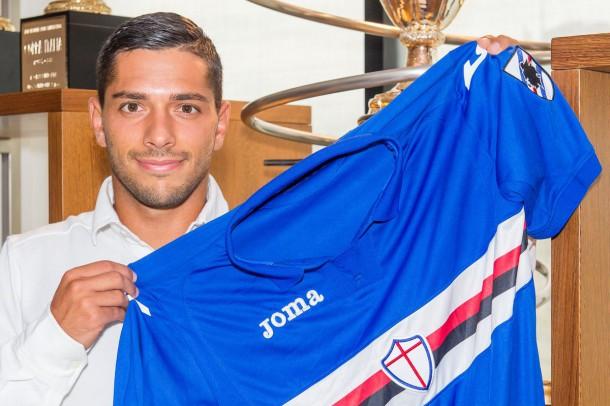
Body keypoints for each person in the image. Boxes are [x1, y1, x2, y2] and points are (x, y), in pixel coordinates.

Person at [0, 11, 515, 406]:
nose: (159, 135)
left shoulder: (297, 259)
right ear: (98, 120)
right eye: (133, 106)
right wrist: (55, 342)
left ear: (220, 123)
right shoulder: (23, 266)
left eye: (186, 107)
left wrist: (494, 101)